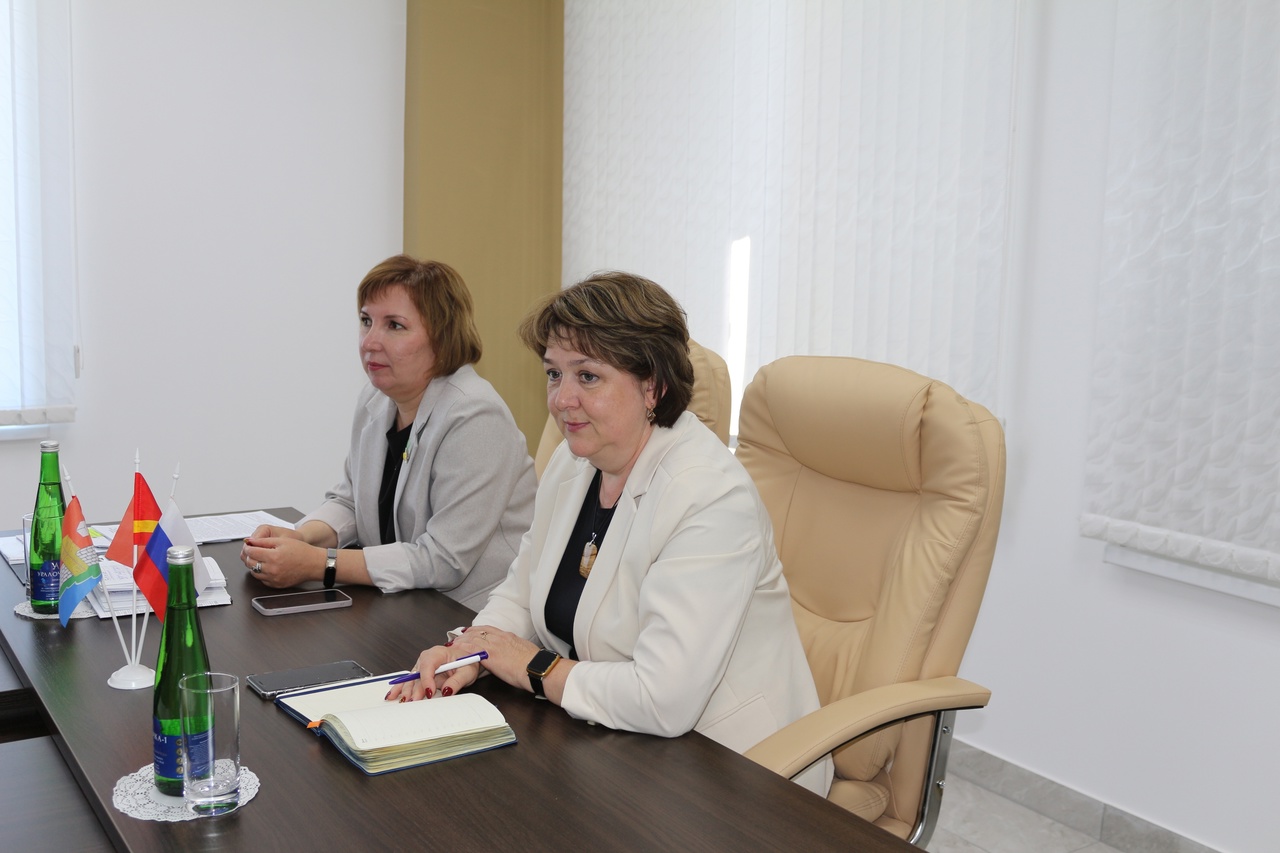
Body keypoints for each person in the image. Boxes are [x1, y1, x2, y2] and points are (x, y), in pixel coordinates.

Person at [390, 271, 833, 796]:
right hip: (619, 744)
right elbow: (522, 590)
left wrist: (531, 666)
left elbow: (663, 698)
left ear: (653, 386)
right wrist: (470, 652)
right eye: (554, 374)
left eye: (588, 376)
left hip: (735, 772)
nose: (562, 399)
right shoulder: (574, 462)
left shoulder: (709, 496)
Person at [240, 255, 536, 610]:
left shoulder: (476, 416)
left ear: (441, 338)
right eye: (366, 321)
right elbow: (350, 501)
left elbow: (443, 559)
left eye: (394, 325)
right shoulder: (376, 399)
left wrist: (319, 564)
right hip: (403, 603)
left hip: (473, 615)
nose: (370, 342)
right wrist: (299, 537)